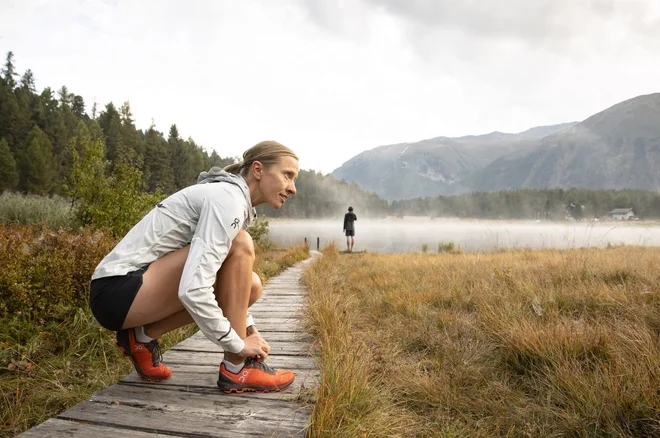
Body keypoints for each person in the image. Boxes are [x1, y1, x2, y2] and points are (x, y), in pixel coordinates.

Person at [89, 140, 299, 394]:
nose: (293, 188)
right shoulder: (227, 200)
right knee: (241, 242)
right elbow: (193, 289)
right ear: (258, 170)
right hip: (116, 290)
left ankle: (141, 338)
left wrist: (251, 331)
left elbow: (230, 285)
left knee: (251, 286)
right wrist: (239, 345)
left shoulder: (230, 197)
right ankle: (237, 368)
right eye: (288, 175)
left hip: (127, 292)